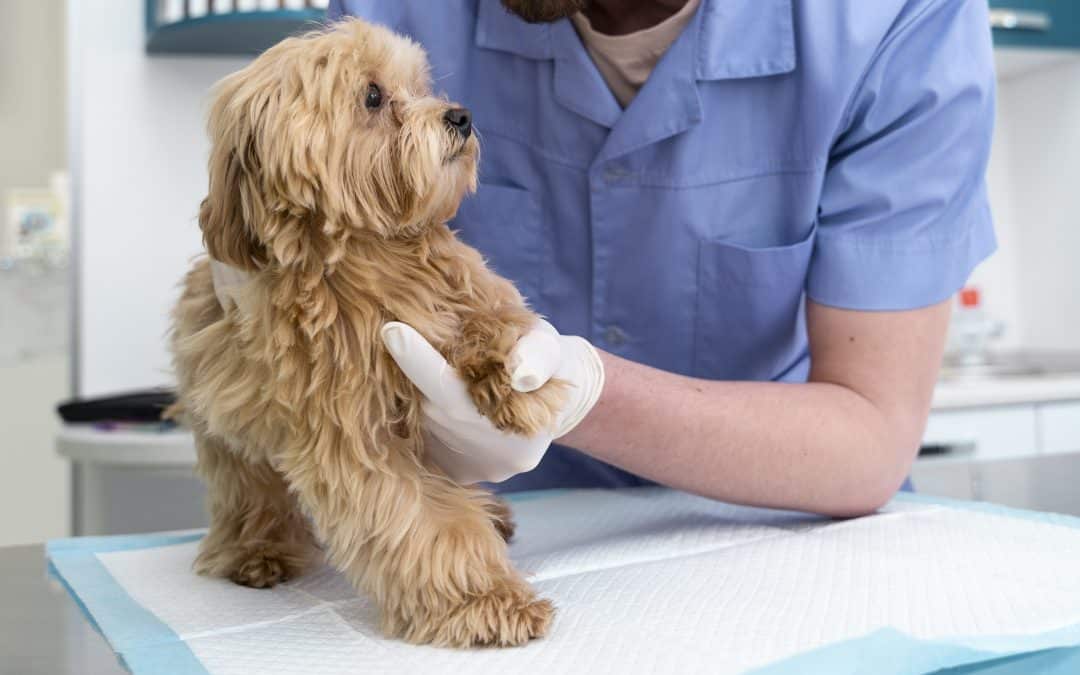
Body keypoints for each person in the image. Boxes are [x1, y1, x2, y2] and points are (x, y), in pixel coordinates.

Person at [329, 0, 997, 517]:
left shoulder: (895, 21)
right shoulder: (395, 19)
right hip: (499, 533)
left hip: (788, 531)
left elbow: (870, 432)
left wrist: (579, 393)